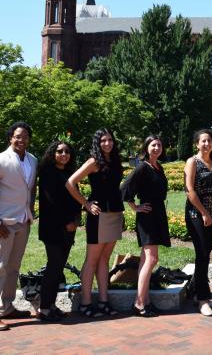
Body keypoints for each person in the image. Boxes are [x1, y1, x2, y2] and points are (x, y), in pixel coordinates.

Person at [0, 121, 38, 331]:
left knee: (13, 267)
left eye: (25, 136)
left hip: (23, 222)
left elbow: (31, 188)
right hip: (2, 224)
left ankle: (6, 306)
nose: (21, 140)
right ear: (10, 137)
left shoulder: (32, 160)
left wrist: (30, 211)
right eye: (17, 136)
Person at [66, 128, 124, 318]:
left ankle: (104, 301)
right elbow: (70, 183)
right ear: (97, 143)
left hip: (115, 212)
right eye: (103, 141)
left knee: (105, 259)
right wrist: (86, 204)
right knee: (92, 260)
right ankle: (85, 303)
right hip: (99, 215)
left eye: (110, 140)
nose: (107, 143)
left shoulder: (114, 160)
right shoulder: (93, 161)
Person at [121, 135, 170, 318]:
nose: (156, 148)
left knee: (145, 260)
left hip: (157, 214)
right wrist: (135, 207)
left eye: (159, 145)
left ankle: (146, 300)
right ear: (146, 147)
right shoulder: (142, 167)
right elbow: (125, 189)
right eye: (153, 145)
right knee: (152, 259)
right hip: (148, 215)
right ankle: (139, 303)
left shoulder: (158, 167)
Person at [37, 140, 81, 322]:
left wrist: (76, 220)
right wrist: (66, 222)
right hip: (53, 227)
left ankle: (52, 304)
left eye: (67, 151)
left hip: (69, 228)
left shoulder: (71, 173)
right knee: (53, 266)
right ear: (52, 153)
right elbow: (50, 202)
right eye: (60, 151)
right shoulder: (47, 172)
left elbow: (76, 197)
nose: (64, 154)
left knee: (58, 267)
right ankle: (44, 308)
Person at [184, 129, 212, 317]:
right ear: (197, 144)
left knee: (206, 255)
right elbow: (189, 191)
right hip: (196, 214)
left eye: (209, 141)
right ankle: (203, 300)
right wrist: (204, 213)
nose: (207, 144)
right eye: (203, 141)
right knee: (202, 255)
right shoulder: (193, 162)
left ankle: (196, 292)